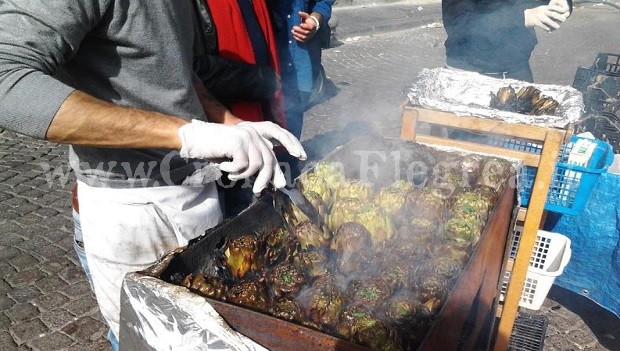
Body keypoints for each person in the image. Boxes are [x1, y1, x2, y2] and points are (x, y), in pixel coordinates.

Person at [0, 1, 306, 350]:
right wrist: (186, 135)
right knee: (144, 342)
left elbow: (175, 68)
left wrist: (228, 122)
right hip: (132, 208)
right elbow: (6, 78)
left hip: (198, 193)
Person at [442, 0, 573, 83]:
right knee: (467, 128)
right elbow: (458, 22)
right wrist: (522, 17)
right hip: (468, 75)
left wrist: (563, 3)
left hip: (518, 71)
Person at [269, 0, 336, 138]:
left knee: (291, 138)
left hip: (299, 61)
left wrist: (315, 20)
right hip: (264, 67)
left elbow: (323, 2)